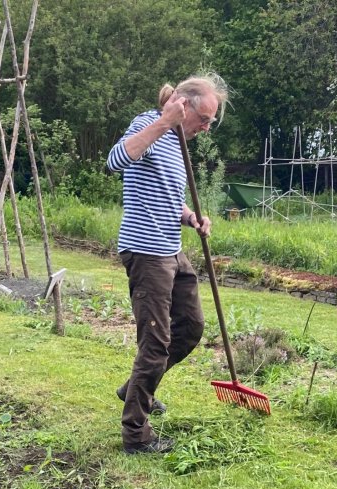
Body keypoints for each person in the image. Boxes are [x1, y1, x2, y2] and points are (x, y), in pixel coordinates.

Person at [105, 73, 229, 454]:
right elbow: (115, 161)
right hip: (146, 251)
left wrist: (191, 216)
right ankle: (135, 433)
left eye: (211, 122)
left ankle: (134, 390)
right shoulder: (149, 125)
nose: (206, 128)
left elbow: (167, 196)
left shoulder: (179, 144)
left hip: (171, 248)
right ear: (182, 104)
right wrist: (163, 122)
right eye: (204, 118)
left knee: (191, 327)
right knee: (155, 343)